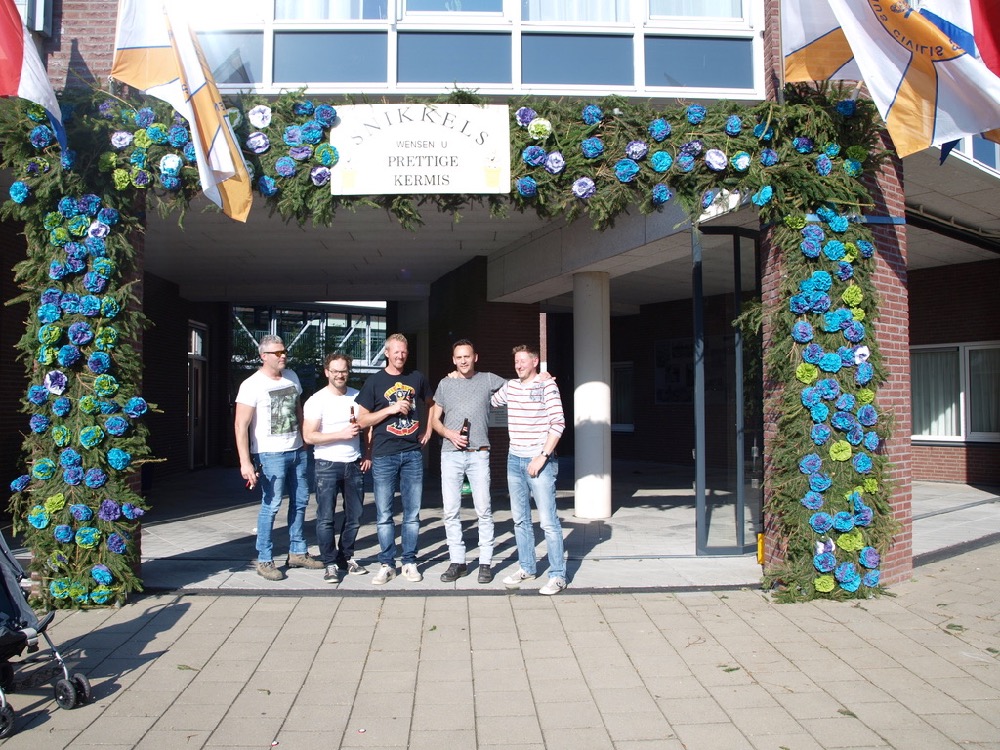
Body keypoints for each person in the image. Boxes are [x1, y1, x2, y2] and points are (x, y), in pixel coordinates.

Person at [235, 335, 324, 581]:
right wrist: (245, 462)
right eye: (277, 353)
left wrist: (305, 439)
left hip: (297, 450)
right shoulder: (251, 385)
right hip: (270, 453)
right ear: (264, 356)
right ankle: (264, 559)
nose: (283, 355)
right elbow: (240, 425)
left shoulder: (292, 377)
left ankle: (297, 551)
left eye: (284, 351)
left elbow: (298, 407)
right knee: (271, 505)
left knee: (301, 500)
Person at [355, 333, 434, 585]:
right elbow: (362, 419)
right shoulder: (375, 382)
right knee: (384, 513)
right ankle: (387, 564)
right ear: (387, 353)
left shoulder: (416, 378)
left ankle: (409, 561)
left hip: (411, 452)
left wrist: (429, 430)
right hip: (384, 454)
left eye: (404, 351)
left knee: (412, 513)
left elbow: (431, 404)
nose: (400, 356)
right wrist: (390, 408)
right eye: (395, 351)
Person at [491, 344, 567, 595]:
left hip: (540, 461)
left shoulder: (547, 385)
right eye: (516, 362)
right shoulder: (510, 387)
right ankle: (527, 567)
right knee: (520, 519)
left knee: (548, 521)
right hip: (514, 459)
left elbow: (558, 423)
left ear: (535, 362)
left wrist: (542, 457)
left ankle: (557, 575)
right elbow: (488, 400)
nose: (519, 365)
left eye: (523, 361)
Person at [430, 339, 507, 584]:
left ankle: (485, 562)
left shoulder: (487, 379)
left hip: (479, 453)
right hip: (450, 455)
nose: (463, 361)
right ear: (453, 360)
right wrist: (449, 434)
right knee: (451, 511)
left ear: (475, 357)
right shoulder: (445, 383)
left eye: (467, 356)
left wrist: (541, 377)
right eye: (458, 357)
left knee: (483, 510)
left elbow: (517, 387)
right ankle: (458, 561)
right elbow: (434, 420)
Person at [302, 352, 371, 584]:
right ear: (327, 372)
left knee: (356, 515)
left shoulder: (357, 397)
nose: (340, 375)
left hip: (353, 462)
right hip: (327, 464)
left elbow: (368, 425)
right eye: (335, 371)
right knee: (325, 517)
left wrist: (368, 453)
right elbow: (309, 436)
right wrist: (340, 434)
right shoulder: (316, 400)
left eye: (343, 370)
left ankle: (346, 557)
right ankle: (329, 562)